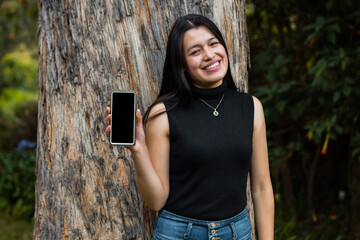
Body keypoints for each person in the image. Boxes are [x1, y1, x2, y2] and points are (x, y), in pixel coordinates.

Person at [106, 14, 274, 240]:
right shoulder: (163, 114)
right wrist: (138, 149)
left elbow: (262, 188)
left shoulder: (251, 108)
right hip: (178, 234)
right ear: (182, 65)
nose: (209, 55)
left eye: (213, 43)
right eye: (195, 51)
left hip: (237, 233)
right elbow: (156, 200)